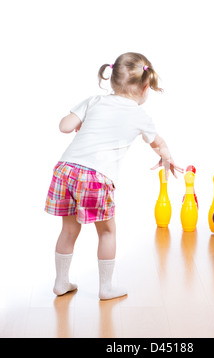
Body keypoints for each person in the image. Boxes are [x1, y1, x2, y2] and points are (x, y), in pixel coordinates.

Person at [44, 52, 183, 300]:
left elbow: (64, 126)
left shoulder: (95, 100)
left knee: (68, 230)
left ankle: (61, 282)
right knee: (107, 232)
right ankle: (106, 287)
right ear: (145, 86)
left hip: (65, 170)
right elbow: (158, 142)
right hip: (95, 177)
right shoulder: (140, 116)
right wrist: (167, 157)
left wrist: (80, 122)